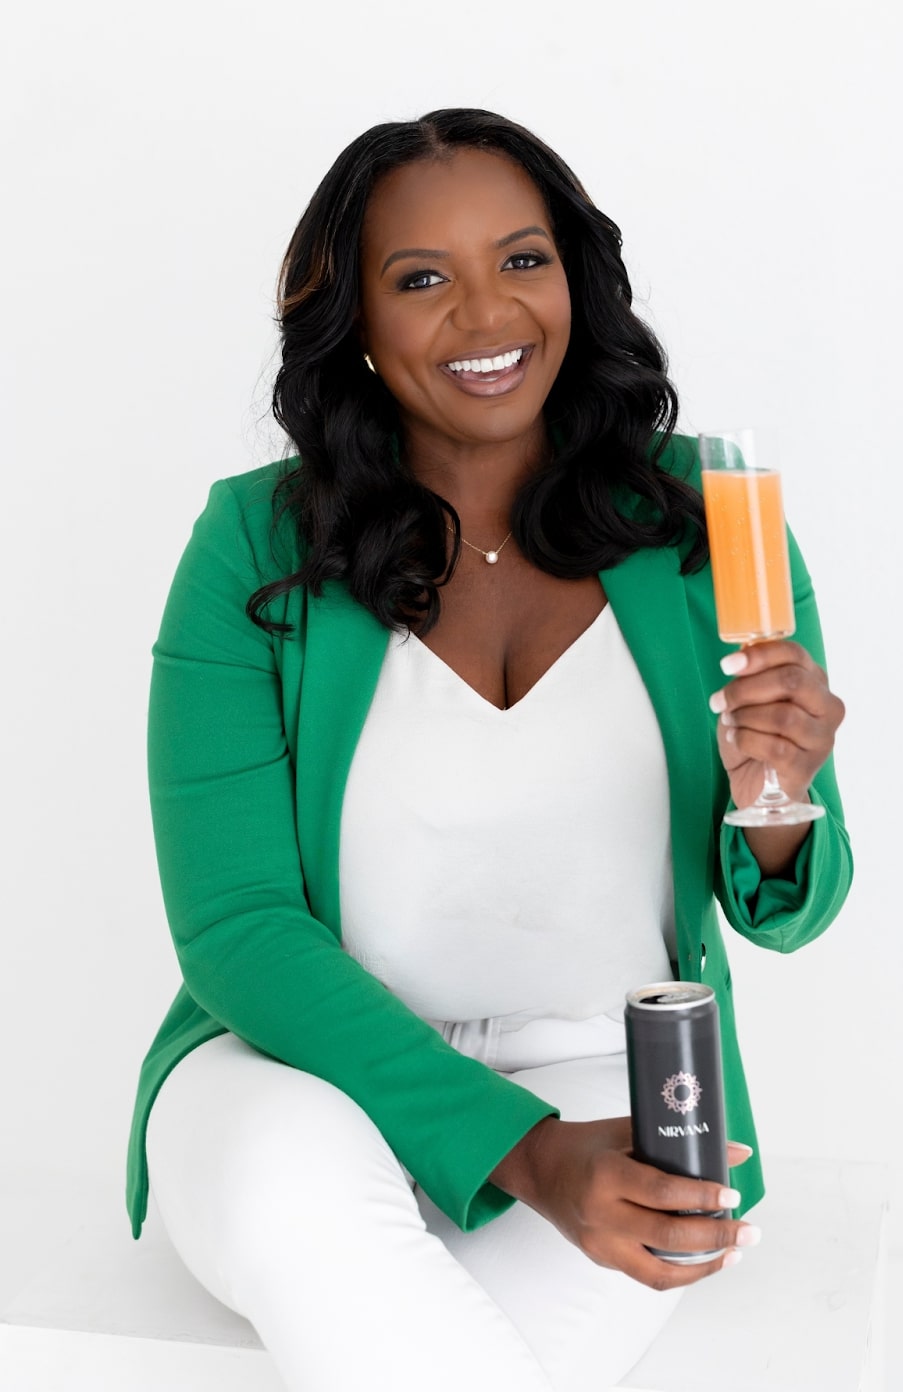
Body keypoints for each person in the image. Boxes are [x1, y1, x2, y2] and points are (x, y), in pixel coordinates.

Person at [125, 107, 851, 1392]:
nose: (486, 314)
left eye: (522, 259)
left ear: (576, 277)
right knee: (298, 1197)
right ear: (354, 321)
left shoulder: (704, 527)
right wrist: (521, 1153)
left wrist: (779, 796)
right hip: (301, 1075)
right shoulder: (255, 546)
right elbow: (235, 925)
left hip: (616, 1077)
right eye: (421, 280)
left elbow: (783, 909)